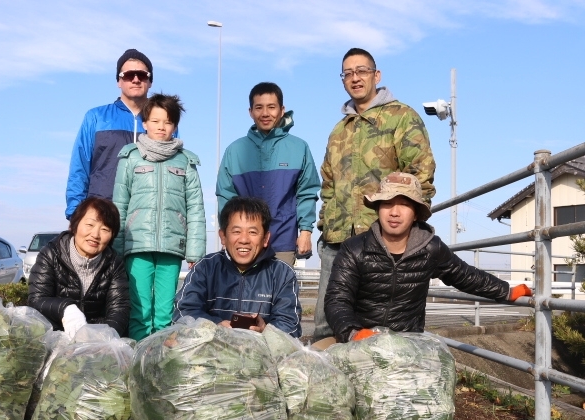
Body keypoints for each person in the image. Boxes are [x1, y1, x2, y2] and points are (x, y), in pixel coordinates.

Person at [314, 47, 437, 341]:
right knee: (327, 328)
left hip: (382, 242)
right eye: (348, 73)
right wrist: (326, 224)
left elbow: (421, 176)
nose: (355, 78)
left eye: (362, 71)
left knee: (382, 334)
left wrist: (407, 231)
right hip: (337, 242)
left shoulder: (402, 118)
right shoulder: (339, 131)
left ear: (376, 75)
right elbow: (328, 184)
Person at [324, 172, 532, 343]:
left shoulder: (431, 248)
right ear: (378, 208)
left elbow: (465, 276)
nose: (394, 212)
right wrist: (354, 333)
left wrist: (507, 291)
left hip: (408, 342)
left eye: (404, 204)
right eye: (387, 203)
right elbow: (337, 299)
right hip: (360, 340)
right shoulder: (354, 249)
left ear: (415, 213)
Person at [112, 94, 205, 341]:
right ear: (144, 123)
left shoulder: (186, 161)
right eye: (155, 121)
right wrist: (116, 247)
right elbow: (119, 204)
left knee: (164, 313)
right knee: (139, 311)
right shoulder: (130, 157)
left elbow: (196, 208)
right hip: (136, 246)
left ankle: (159, 358)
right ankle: (138, 357)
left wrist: (195, 251)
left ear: (175, 125)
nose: (161, 127)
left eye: (168, 121)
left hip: (172, 247)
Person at [216, 82, 320, 266]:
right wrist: (227, 231)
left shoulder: (299, 148)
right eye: (259, 108)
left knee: (281, 285)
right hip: (244, 243)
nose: (265, 113)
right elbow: (226, 196)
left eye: (271, 107)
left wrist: (305, 232)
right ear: (250, 112)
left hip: (283, 241)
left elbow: (307, 192)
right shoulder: (234, 151)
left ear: (282, 110)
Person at [173, 196, 302, 338]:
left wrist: (265, 330)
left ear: (265, 239)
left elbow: (290, 325)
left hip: (262, 350)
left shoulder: (282, 274)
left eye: (252, 232)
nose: (244, 240)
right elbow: (183, 312)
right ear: (223, 237)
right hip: (211, 348)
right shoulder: (205, 268)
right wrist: (216, 325)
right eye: (236, 231)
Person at [65, 48, 155, 219]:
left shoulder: (163, 121)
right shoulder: (96, 117)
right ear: (118, 81)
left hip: (147, 218)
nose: (136, 79)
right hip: (103, 215)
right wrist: (74, 213)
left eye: (142, 75)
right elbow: (79, 167)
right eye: (129, 75)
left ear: (150, 81)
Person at [28, 197, 130, 339]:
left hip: (96, 340)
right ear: (74, 225)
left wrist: (103, 337)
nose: (95, 235)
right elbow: (36, 300)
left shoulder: (114, 263)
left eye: (105, 229)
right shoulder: (51, 254)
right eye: (90, 225)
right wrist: (66, 308)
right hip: (55, 337)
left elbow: (119, 309)